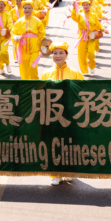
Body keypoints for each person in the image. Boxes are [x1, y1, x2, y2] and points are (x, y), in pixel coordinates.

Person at [40, 41, 84, 186]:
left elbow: (83, 92)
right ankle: (55, 173)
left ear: (66, 55)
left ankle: (68, 171)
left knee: (69, 143)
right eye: (55, 53)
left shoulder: (75, 73)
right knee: (53, 143)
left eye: (61, 53)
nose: (58, 56)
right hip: (52, 115)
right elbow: (40, 94)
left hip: (70, 114)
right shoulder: (46, 74)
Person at [12, 0, 46, 79]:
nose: (27, 10)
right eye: (25, 8)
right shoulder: (18, 22)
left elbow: (42, 34)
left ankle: (35, 84)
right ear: (23, 9)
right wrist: (15, 37)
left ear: (32, 9)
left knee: (32, 67)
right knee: (23, 69)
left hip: (34, 49)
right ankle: (25, 85)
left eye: (29, 8)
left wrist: (44, 46)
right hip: (22, 49)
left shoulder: (37, 21)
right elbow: (13, 33)